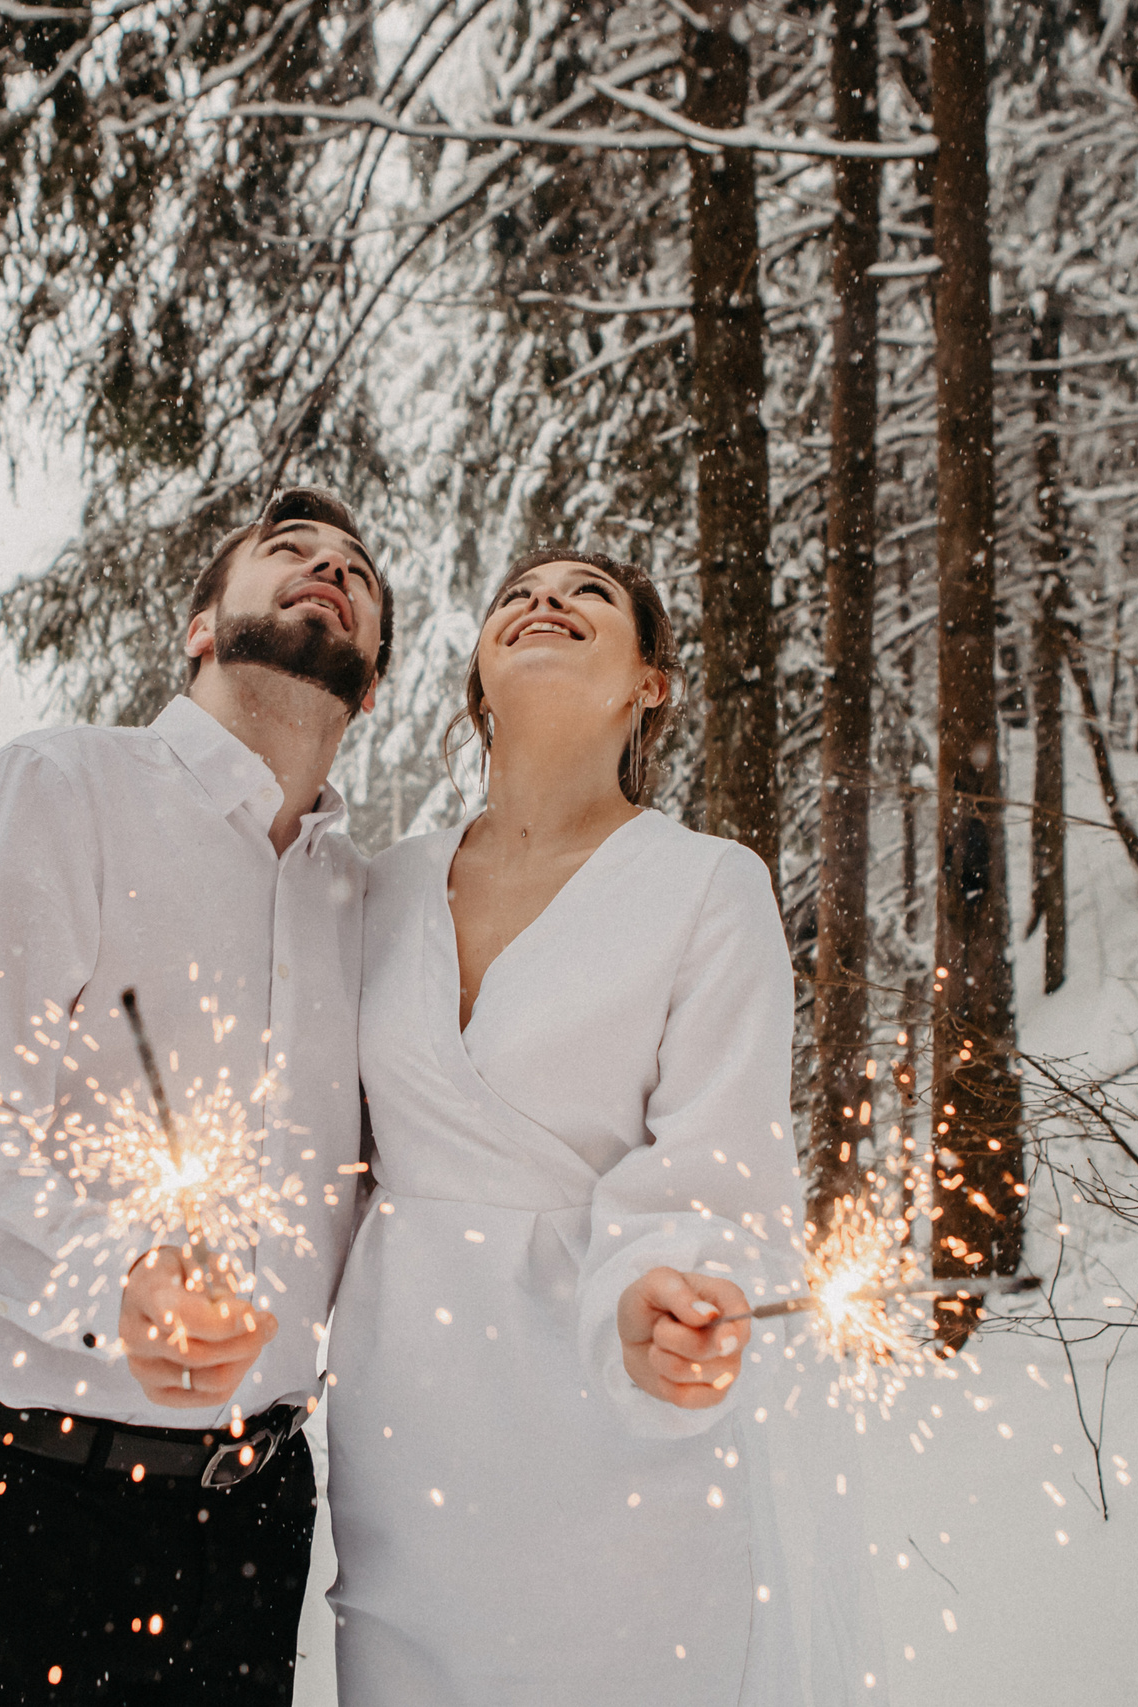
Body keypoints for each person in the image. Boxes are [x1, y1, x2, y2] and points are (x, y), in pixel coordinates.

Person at [0, 488, 391, 1705]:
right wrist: (118, 1282)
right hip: (15, 1508)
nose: (327, 567)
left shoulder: (365, 902)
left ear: (368, 688)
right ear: (202, 626)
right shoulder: (57, 790)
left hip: (252, 1527)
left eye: (353, 569)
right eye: (289, 551)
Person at [324, 549, 871, 1703]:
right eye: (515, 595)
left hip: (613, 1418)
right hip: (407, 1427)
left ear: (650, 684)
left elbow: (717, 1161)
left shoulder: (708, 886)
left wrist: (667, 1297)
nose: (543, 602)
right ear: (477, 679)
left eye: (588, 595)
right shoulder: (378, 888)